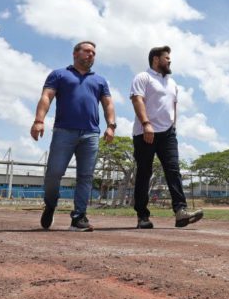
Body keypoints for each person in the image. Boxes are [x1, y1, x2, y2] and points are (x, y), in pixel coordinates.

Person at [31, 41, 115, 231]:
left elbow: (108, 104)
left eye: (94, 52)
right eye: (87, 51)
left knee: (86, 176)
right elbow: (47, 97)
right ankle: (51, 204)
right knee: (54, 173)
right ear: (75, 54)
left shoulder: (100, 80)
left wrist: (111, 126)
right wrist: (39, 120)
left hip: (91, 134)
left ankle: (79, 218)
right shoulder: (59, 74)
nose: (91, 55)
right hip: (64, 132)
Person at [130, 45, 203, 229]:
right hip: (145, 133)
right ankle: (142, 216)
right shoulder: (143, 77)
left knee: (173, 171)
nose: (170, 61)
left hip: (168, 134)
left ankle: (180, 212)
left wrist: (174, 126)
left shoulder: (172, 83)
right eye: (167, 58)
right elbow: (137, 100)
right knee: (144, 174)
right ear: (156, 59)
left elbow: (174, 106)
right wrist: (146, 124)